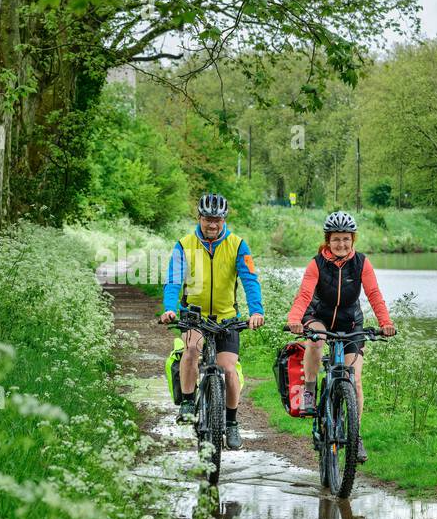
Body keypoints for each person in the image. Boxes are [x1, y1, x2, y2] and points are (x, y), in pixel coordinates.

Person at [285, 211, 396, 458]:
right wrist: (294, 319)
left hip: (351, 321)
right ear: (328, 240)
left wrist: (385, 322)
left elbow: (374, 294)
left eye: (346, 239)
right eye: (336, 239)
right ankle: (310, 392)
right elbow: (304, 295)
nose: (341, 244)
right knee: (316, 341)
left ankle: (355, 437)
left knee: (354, 379)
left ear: (352, 239)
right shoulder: (316, 264)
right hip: (319, 317)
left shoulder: (361, 263)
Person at [160, 193, 266, 449]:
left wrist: (256, 311)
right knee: (191, 350)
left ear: (223, 220)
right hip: (193, 315)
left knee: (229, 369)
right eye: (208, 219)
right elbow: (173, 280)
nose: (213, 224)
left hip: (226, 318)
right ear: (199, 218)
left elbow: (249, 280)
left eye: (217, 220)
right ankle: (187, 402)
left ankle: (231, 423)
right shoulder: (184, 245)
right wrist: (170, 309)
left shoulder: (238, 245)